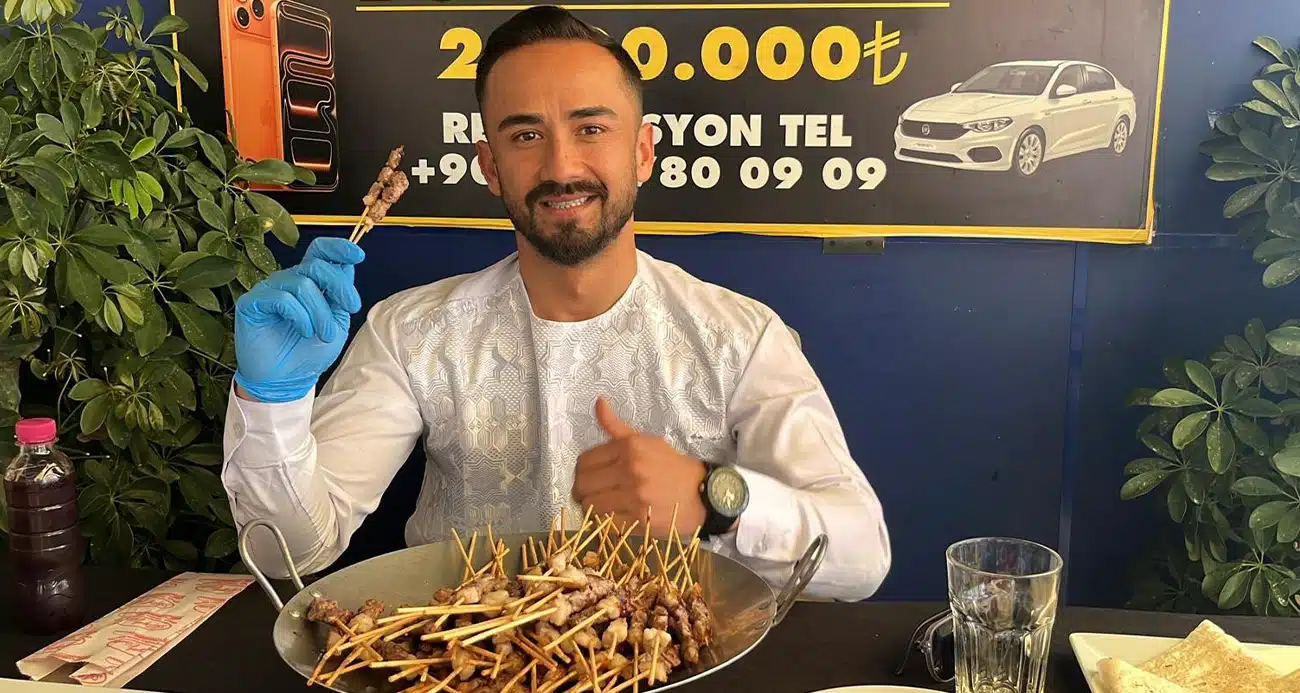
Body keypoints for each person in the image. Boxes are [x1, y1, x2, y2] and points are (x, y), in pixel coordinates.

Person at [221, 5, 891, 602]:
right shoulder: (412, 332)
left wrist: (711, 501)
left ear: (642, 152)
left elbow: (862, 557)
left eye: (591, 128)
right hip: (463, 669)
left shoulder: (738, 336)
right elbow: (292, 552)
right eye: (525, 135)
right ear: (490, 166)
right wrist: (273, 401)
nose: (561, 166)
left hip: (677, 663)